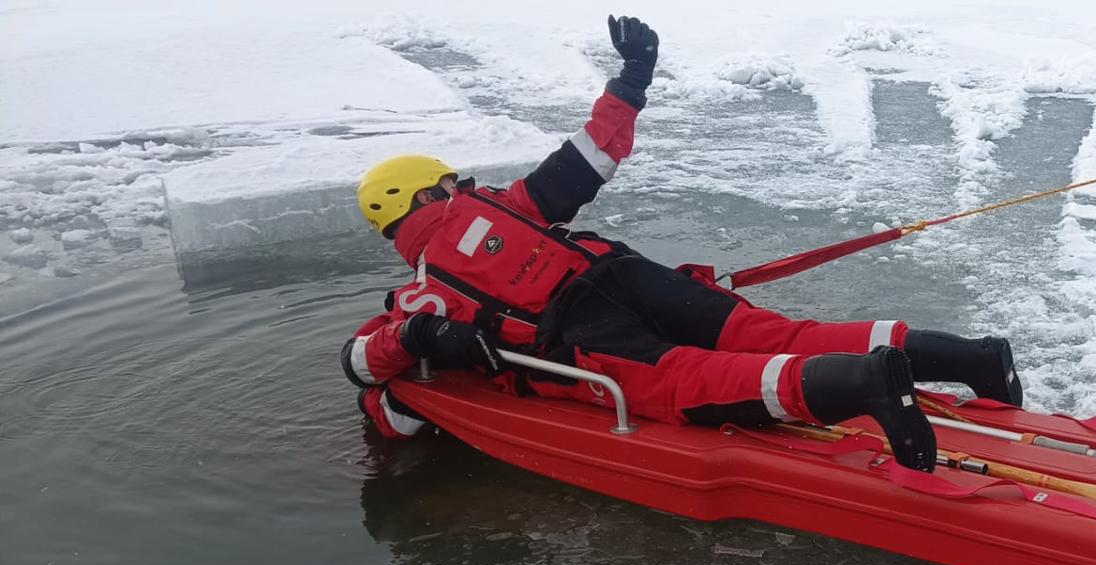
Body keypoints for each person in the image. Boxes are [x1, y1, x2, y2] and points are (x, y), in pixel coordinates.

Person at [340, 16, 1023, 472]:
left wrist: (424, 342)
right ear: (428, 194)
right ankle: (975, 359)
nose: (461, 187)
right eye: (449, 183)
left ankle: (865, 381)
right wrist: (632, 76)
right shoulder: (507, 207)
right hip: (629, 275)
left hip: (579, 333)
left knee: (691, 381)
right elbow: (590, 155)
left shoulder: (420, 292)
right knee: (779, 332)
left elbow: (364, 364)